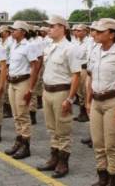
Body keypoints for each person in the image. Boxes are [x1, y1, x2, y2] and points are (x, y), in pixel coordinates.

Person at [86, 18, 115, 186]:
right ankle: (102, 177)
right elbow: (91, 78)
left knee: (111, 145)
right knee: (98, 144)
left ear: (112, 34)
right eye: (95, 31)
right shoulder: (94, 51)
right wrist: (88, 101)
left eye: (100, 31)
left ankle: (113, 180)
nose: (96, 34)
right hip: (97, 102)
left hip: (113, 101)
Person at [36, 15, 81, 178]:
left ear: (62, 28)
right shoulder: (49, 47)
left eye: (52, 26)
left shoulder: (70, 48)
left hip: (61, 91)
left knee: (63, 129)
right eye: (48, 26)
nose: (49, 29)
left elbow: (76, 75)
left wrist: (70, 98)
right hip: (48, 91)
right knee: (52, 129)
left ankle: (63, 162)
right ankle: (53, 158)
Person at [4, 21, 40, 160]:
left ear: (23, 32)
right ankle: (19, 142)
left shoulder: (28, 46)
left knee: (22, 114)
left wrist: (30, 88)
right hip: (13, 82)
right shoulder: (13, 45)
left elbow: (35, 67)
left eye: (15, 29)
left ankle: (26, 146)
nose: (12, 31)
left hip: (23, 82)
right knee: (16, 115)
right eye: (11, 29)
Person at [72, 24, 90, 122]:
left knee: (85, 91)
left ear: (85, 31)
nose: (76, 32)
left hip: (84, 69)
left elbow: (82, 56)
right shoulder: (76, 42)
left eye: (79, 31)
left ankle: (86, 113)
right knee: (78, 91)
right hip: (77, 68)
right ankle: (82, 113)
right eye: (76, 31)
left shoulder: (89, 42)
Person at [0, 25, 13, 118]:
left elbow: (11, 56)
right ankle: (4, 107)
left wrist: (9, 68)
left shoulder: (11, 42)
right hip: (1, 67)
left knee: (7, 89)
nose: (1, 33)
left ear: (7, 32)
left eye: (2, 31)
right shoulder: (0, 41)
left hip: (8, 66)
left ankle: (8, 109)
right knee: (3, 88)